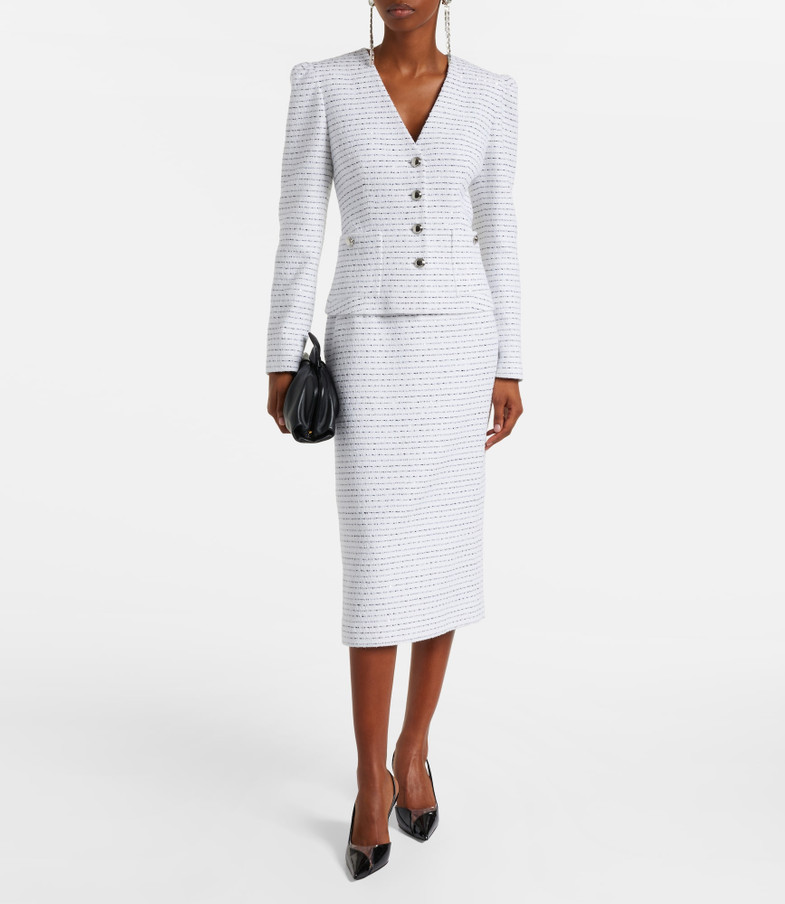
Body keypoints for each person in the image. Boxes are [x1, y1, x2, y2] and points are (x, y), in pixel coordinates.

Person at [265, 0, 524, 880]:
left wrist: (511, 362)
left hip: (461, 348)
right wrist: (281, 354)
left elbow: (501, 232)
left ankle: (413, 752)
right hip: (368, 348)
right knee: (377, 563)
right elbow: (300, 225)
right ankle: (370, 782)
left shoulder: (492, 95)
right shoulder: (323, 86)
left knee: (442, 555)